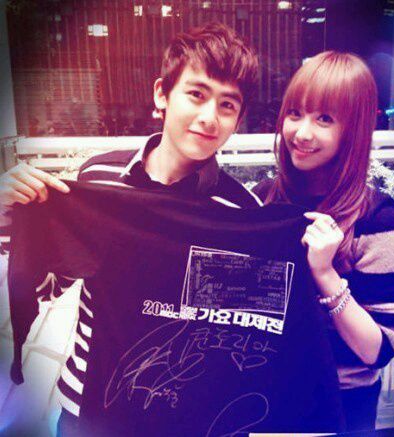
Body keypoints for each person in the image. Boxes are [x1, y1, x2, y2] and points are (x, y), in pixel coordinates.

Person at [0, 22, 265, 434]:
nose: (209, 117)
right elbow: (48, 286)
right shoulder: (99, 180)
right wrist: (10, 217)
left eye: (227, 105)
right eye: (196, 94)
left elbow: (238, 332)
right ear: (162, 94)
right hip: (90, 410)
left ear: (238, 118)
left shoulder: (239, 213)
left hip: (189, 415)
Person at [254, 51, 394, 431]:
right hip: (263, 398)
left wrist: (325, 274)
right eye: (295, 113)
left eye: (324, 118)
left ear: (352, 130)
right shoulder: (262, 201)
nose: (302, 133)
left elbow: (378, 350)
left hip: (342, 405)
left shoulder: (377, 217)